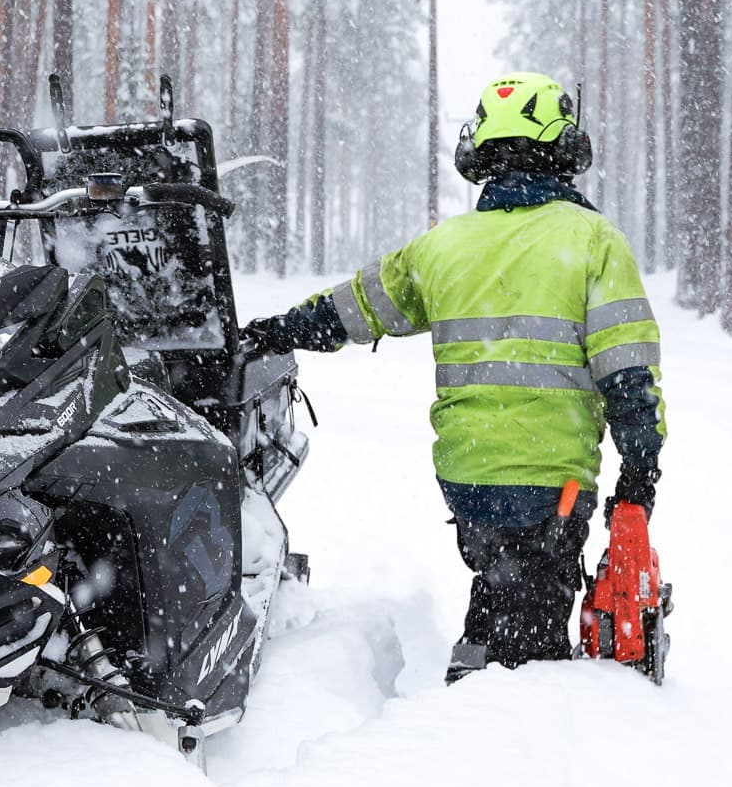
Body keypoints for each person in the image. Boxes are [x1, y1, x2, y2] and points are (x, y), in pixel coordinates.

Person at [240, 72, 665, 683]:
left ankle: (475, 668)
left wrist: (277, 330)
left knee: (501, 588)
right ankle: (499, 712)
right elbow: (628, 375)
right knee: (532, 639)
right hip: (554, 485)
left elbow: (354, 308)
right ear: (562, 146)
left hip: (466, 483)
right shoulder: (593, 241)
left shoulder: (443, 246)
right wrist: (639, 475)